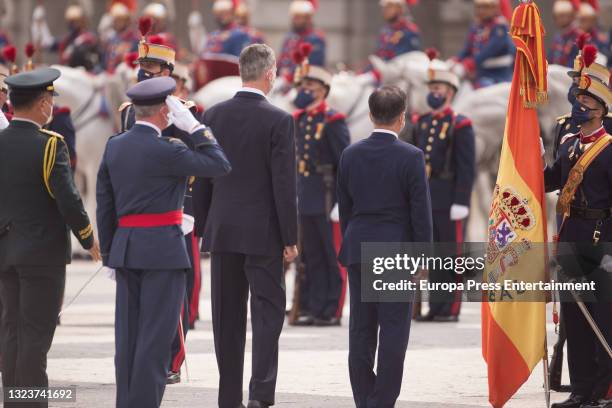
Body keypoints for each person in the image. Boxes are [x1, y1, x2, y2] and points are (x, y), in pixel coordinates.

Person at [96, 76, 231, 408]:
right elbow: (220, 164)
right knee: (155, 341)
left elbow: (105, 205)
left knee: (127, 339)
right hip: (163, 252)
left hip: (127, 250)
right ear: (163, 113)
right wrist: (196, 128)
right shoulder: (170, 150)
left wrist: (111, 254)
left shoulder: (115, 145)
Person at [192, 43, 298, 408]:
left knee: (226, 318)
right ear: (269, 74)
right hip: (264, 233)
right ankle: (260, 394)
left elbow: (203, 175)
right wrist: (290, 237)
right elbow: (284, 185)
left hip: (223, 230)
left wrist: (202, 226)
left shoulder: (213, 116)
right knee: (268, 314)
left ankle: (228, 398)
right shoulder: (279, 120)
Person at [0, 67, 100, 408]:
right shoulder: (50, 145)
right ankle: (30, 402)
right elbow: (69, 199)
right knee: (36, 335)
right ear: (42, 103)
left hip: (5, 252)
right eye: (50, 99)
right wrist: (89, 238)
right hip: (42, 256)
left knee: (11, 331)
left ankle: (13, 399)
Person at [337, 86, 433, 407]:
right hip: (395, 252)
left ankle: (364, 399)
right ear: (402, 118)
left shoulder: (350, 153)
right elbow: (421, 212)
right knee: (393, 333)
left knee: (361, 330)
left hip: (359, 246)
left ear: (370, 115)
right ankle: (381, 402)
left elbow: (345, 206)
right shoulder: (412, 156)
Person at [544, 56, 611, 408]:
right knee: (574, 314)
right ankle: (581, 389)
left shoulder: (610, 148)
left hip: (601, 238)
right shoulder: (570, 143)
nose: (580, 104)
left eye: (587, 101)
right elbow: (550, 180)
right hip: (570, 234)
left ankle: (602, 391)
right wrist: (525, 157)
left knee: (601, 316)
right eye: (578, 98)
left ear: (601, 109)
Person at [412, 50, 475, 322]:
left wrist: (461, 200)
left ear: (450, 91)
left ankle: (449, 308)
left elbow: (466, 166)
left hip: (449, 196)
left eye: (437, 88)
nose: (433, 93)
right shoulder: (423, 122)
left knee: (449, 255)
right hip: (427, 195)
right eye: (431, 88)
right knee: (432, 254)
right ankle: (433, 306)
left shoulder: (460, 124)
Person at [291, 62, 350, 326]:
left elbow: (344, 163)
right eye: (302, 86)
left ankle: (332, 309)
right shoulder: (300, 119)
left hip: (327, 197)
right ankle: (313, 307)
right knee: (310, 256)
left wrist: (341, 200)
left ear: (323, 90)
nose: (304, 91)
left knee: (331, 255)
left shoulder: (333, 120)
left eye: (310, 87)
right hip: (306, 195)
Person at [455, 0, 515, 88]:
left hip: (500, 77)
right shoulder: (476, 27)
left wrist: (467, 65)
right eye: (479, 7)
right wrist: (455, 60)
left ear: (495, 9)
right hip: (481, 75)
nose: (482, 11)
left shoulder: (500, 27)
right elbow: (467, 49)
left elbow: (489, 51)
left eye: (486, 7)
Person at [278, 0, 326, 80]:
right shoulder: (289, 36)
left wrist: (289, 77)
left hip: (304, 82)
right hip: (284, 82)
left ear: (307, 19)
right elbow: (282, 59)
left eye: (298, 17)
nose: (294, 20)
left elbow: (313, 64)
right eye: (294, 17)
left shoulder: (316, 38)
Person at [103, 2, 139, 73]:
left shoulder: (134, 39)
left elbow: (137, 61)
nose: (117, 23)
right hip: (111, 74)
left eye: (120, 20)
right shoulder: (111, 38)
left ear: (127, 21)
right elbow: (105, 60)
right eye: (115, 20)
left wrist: (125, 58)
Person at [549, 0, 580, 67]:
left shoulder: (577, 36)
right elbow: (551, 58)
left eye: (563, 16)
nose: (560, 19)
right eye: (557, 16)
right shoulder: (557, 38)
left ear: (571, 16)